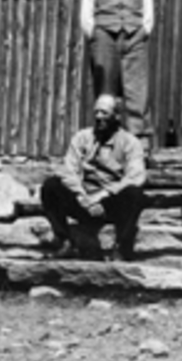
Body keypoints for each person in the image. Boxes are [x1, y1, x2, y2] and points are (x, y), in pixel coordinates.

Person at [40, 94, 146, 261]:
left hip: (110, 202)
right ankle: (65, 242)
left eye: (104, 113)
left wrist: (102, 196)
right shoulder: (82, 137)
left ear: (116, 116)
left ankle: (121, 248)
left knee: (134, 194)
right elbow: (68, 170)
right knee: (51, 186)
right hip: (83, 200)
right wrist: (81, 196)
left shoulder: (130, 143)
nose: (98, 117)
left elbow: (135, 176)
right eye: (96, 112)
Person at [80, 0, 155, 153]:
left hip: (134, 37)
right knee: (105, 88)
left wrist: (143, 31)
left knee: (137, 88)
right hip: (104, 37)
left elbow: (148, 12)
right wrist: (94, 34)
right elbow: (86, 14)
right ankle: (105, 139)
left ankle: (138, 141)